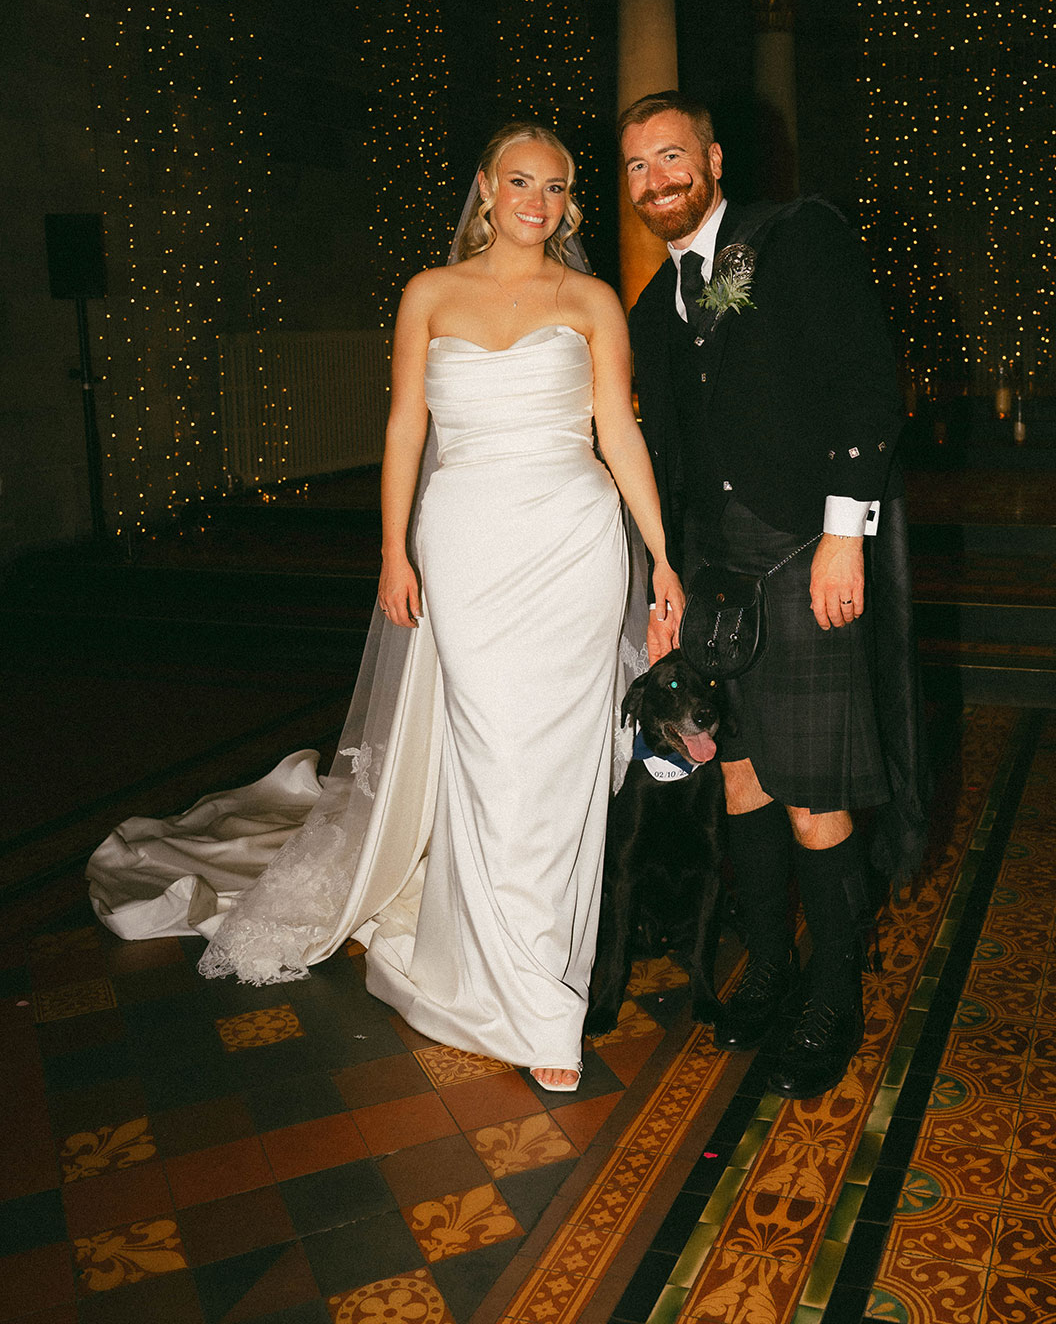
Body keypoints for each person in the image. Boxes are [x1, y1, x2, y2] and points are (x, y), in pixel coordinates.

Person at [88, 124, 683, 1096]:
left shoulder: (589, 300)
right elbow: (406, 423)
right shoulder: (430, 295)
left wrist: (660, 556)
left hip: (573, 543)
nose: (536, 199)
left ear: (570, 203)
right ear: (487, 189)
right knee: (493, 761)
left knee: (560, 768)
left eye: (557, 186)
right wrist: (391, 549)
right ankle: (508, 978)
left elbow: (616, 425)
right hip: (466, 544)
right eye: (519, 180)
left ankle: (542, 1001)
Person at [620, 90, 924, 1101]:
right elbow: (660, 449)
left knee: (813, 791)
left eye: (672, 157)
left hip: (800, 552)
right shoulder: (650, 304)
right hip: (706, 569)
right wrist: (663, 577)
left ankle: (832, 995)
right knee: (740, 773)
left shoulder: (787, 239)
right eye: (637, 168)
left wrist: (846, 533)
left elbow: (865, 380)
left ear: (710, 158)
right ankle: (773, 969)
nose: (657, 181)